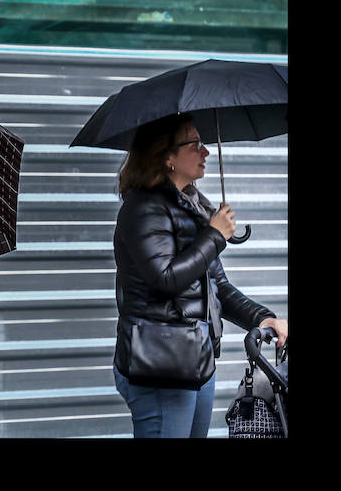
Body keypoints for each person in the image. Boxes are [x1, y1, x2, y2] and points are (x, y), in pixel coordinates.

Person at [112, 113, 288, 438]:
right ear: (166, 156)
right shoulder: (143, 210)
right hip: (160, 367)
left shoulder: (192, 208)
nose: (205, 152)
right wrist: (214, 236)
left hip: (196, 361)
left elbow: (216, 285)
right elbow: (164, 278)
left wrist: (263, 318)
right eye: (195, 144)